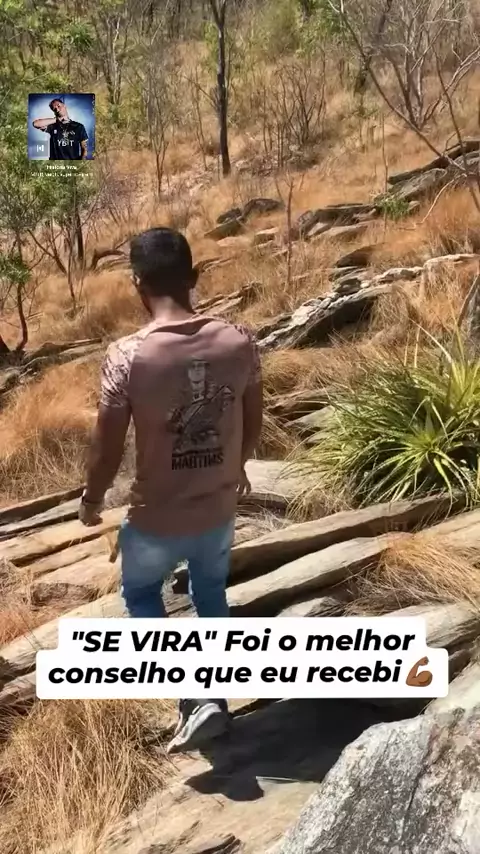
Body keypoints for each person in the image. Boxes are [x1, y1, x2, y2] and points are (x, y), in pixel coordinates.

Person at [78, 227, 263, 754]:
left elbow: (106, 448)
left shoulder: (126, 355)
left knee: (141, 595)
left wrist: (92, 500)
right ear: (194, 276)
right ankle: (215, 697)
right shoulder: (240, 340)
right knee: (210, 593)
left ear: (137, 283)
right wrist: (237, 465)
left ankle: (194, 697)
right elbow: (253, 419)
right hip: (218, 507)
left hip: (156, 517)